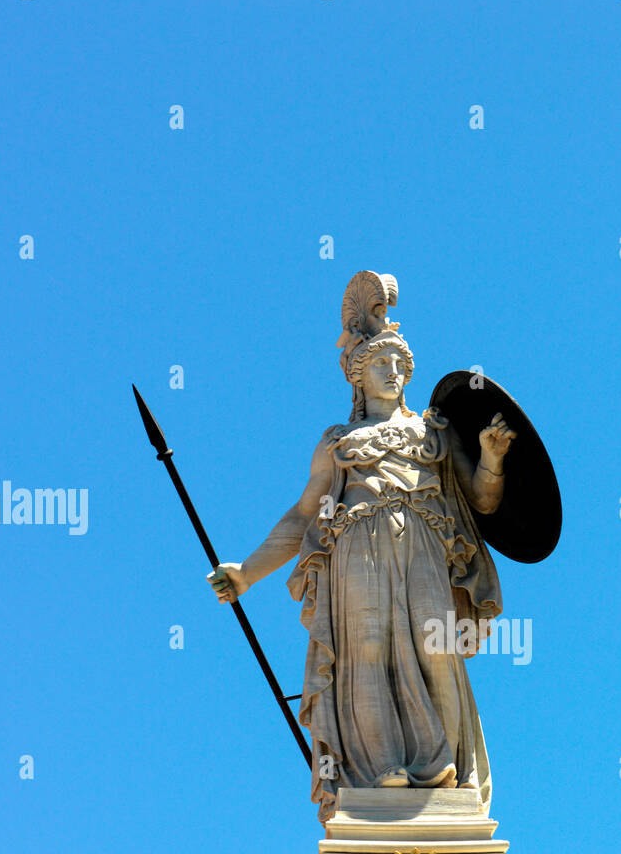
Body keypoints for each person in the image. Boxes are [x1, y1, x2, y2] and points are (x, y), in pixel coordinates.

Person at [208, 271, 515, 820]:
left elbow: (481, 502)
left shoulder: (434, 433)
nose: (394, 373)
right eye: (381, 363)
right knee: (366, 647)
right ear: (356, 372)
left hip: (422, 543)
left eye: (401, 364)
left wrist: (491, 458)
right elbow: (305, 514)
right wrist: (248, 573)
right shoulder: (338, 443)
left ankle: (446, 773)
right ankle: (379, 769)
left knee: (437, 649)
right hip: (356, 548)